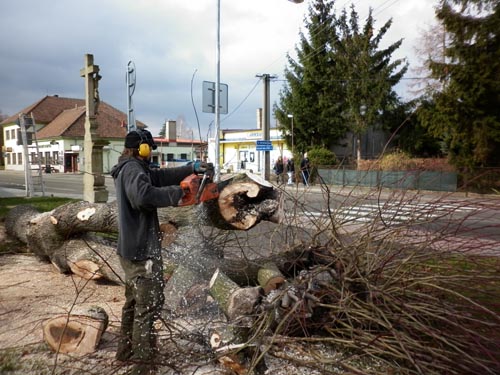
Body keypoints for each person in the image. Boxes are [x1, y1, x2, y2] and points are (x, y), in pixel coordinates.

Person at [110, 128, 210, 375]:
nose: (151, 152)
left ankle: (125, 352)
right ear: (141, 148)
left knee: (133, 303)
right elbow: (143, 197)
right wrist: (178, 194)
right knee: (148, 306)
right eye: (150, 148)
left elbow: (161, 176)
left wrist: (192, 168)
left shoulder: (133, 168)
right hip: (141, 251)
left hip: (131, 248)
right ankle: (143, 366)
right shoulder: (133, 170)